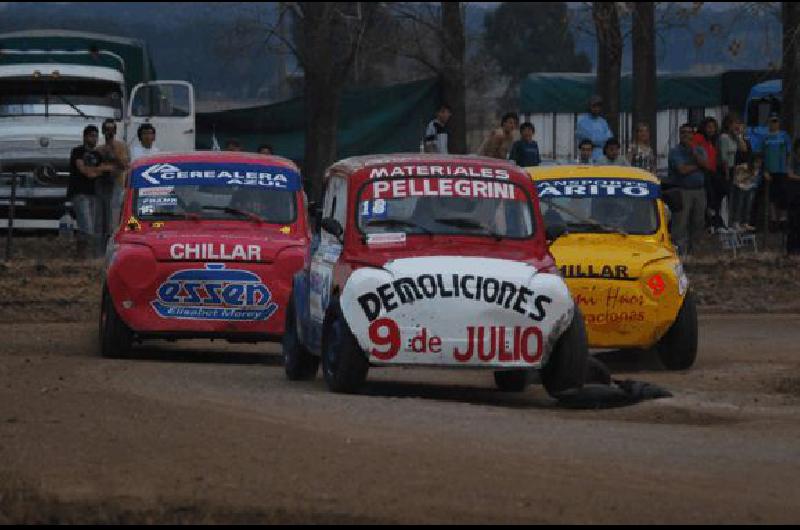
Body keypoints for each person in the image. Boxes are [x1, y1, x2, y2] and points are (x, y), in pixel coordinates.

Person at [67, 125, 113, 258]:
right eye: (91, 136)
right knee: (87, 227)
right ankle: (81, 255)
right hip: (80, 192)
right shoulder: (77, 151)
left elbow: (110, 168)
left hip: (95, 194)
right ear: (85, 137)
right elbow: (85, 171)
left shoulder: (98, 154)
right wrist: (99, 170)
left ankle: (83, 256)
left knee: (93, 227)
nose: (94, 139)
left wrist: (97, 170)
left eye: (96, 136)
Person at [668, 123, 708, 256]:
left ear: (693, 135)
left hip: (699, 191)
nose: (686, 135)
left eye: (689, 132)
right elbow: (682, 170)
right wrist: (697, 166)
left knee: (698, 222)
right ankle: (679, 253)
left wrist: (695, 154)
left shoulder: (699, 149)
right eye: (683, 132)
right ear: (680, 135)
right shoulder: (675, 151)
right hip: (682, 190)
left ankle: (695, 252)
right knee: (680, 223)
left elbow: (706, 165)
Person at [97, 118, 130, 241]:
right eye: (107, 129)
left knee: (115, 217)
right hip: (102, 185)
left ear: (115, 131)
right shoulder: (99, 149)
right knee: (102, 218)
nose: (109, 132)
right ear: (103, 131)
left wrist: (113, 153)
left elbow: (125, 165)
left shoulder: (122, 147)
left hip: (117, 184)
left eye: (112, 129)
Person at [690, 116, 724, 232]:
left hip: (713, 171)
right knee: (710, 195)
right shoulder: (698, 138)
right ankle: (711, 220)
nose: (711, 130)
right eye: (709, 127)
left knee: (721, 190)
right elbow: (695, 152)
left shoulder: (713, 141)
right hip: (703, 171)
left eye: (713, 127)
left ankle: (716, 217)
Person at [719, 114, 750, 230]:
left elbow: (744, 149)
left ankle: (735, 221)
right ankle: (727, 222)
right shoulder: (724, 137)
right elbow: (724, 157)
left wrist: (738, 135)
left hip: (736, 169)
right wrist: (727, 173)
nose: (736, 126)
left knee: (736, 196)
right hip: (727, 169)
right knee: (729, 197)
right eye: (734, 123)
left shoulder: (734, 138)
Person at [761, 113, 791, 231]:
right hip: (770, 171)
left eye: (776, 121)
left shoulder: (784, 136)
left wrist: (787, 167)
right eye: (771, 121)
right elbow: (762, 156)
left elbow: (788, 153)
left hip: (782, 170)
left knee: (783, 194)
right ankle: (773, 220)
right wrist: (764, 171)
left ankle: (783, 219)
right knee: (771, 196)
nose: (773, 123)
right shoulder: (765, 138)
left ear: (779, 123)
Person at [575, 95, 612, 163]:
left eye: (599, 106)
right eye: (594, 106)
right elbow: (587, 140)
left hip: (602, 159)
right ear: (589, 106)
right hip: (587, 158)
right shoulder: (582, 121)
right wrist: (601, 140)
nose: (596, 108)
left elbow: (609, 140)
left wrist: (598, 140)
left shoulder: (603, 122)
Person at [785, 140, 800, 254]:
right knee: (793, 221)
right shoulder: (792, 158)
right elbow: (789, 174)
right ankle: (791, 248)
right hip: (794, 191)